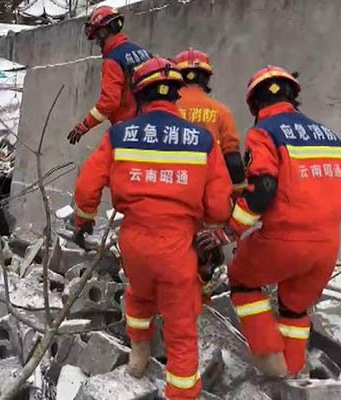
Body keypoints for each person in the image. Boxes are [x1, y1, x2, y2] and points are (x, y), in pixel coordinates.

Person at [73, 57, 232, 399]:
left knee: (139, 294)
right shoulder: (202, 140)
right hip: (178, 244)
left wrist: (82, 220)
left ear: (140, 95)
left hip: (134, 241)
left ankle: (138, 357)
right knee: (180, 321)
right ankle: (182, 392)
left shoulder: (119, 134)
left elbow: (88, 184)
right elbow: (220, 204)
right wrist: (214, 230)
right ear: (177, 94)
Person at [196, 66, 341, 378]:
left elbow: (262, 189)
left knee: (242, 279)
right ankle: (293, 376)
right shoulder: (329, 136)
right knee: (294, 308)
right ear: (294, 97)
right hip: (327, 247)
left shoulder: (265, 133)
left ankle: (270, 361)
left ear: (254, 104)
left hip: (284, 241)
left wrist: (228, 231)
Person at [67, 6, 151, 145]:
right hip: (150, 126)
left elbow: (109, 102)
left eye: (96, 38)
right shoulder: (142, 52)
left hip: (130, 131)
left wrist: (85, 125)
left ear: (103, 32)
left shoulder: (113, 60)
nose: (98, 44)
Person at [173, 48, 246, 191]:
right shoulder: (221, 111)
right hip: (211, 190)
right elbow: (233, 160)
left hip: (173, 186)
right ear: (206, 78)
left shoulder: (166, 110)